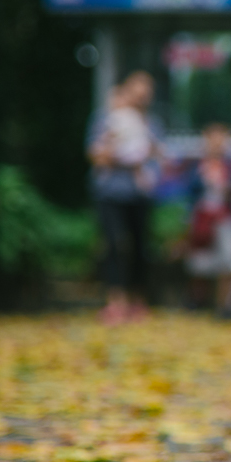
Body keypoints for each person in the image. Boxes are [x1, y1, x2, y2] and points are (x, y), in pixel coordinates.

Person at [88, 71, 163, 325]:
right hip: (110, 193)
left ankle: (138, 301)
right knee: (114, 245)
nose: (142, 97)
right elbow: (98, 156)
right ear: (126, 90)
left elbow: (157, 157)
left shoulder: (152, 124)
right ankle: (115, 302)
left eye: (147, 92)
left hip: (141, 194)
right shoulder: (106, 120)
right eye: (137, 91)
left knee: (141, 247)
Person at [184, 123, 231, 313]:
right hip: (202, 220)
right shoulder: (197, 166)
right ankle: (198, 302)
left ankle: (226, 304)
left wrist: (229, 189)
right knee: (199, 263)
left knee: (228, 263)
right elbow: (189, 191)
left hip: (225, 218)